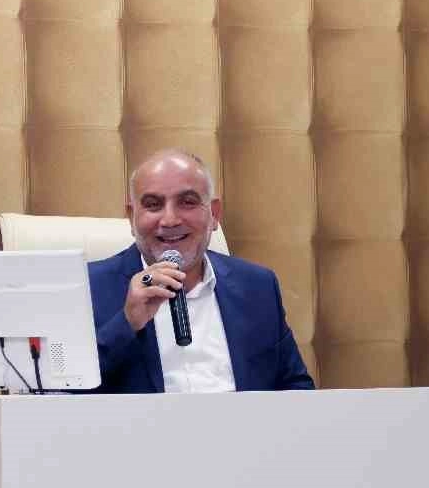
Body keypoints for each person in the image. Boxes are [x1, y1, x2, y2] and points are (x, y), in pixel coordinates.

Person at [87, 149, 314, 394]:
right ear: (132, 217)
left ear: (214, 214)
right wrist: (127, 323)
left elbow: (296, 388)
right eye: (153, 205)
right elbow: (63, 395)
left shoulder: (257, 286)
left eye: (187, 202)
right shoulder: (88, 289)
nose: (170, 220)